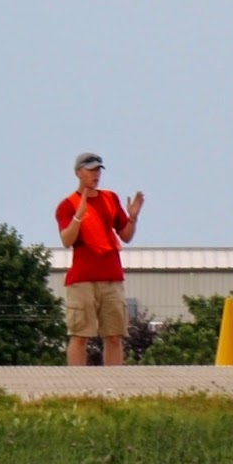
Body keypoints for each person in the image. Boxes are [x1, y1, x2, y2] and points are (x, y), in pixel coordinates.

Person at [56, 152, 144, 366]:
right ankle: (77, 386)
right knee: (80, 336)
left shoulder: (110, 198)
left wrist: (132, 218)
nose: (95, 174)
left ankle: (114, 385)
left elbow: (125, 235)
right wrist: (79, 216)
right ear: (78, 173)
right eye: (90, 170)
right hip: (82, 280)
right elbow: (67, 240)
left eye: (98, 170)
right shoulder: (67, 205)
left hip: (111, 277)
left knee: (114, 336)